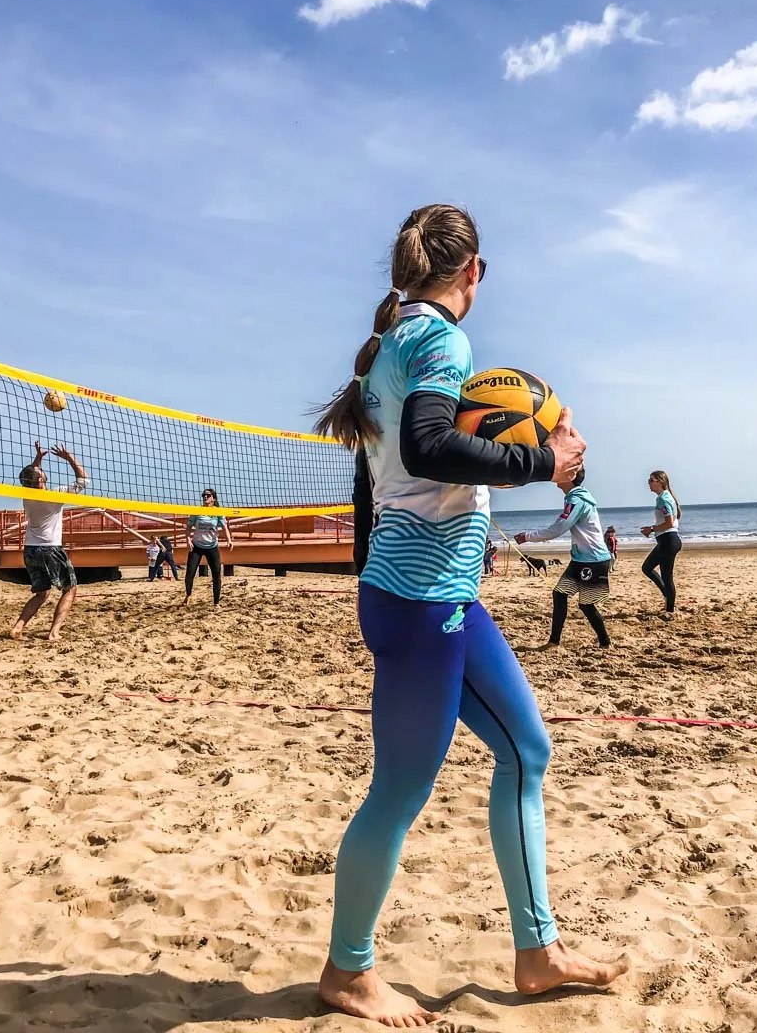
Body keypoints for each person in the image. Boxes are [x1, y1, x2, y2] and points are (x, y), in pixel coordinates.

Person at [312, 204, 626, 1027]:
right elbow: (427, 446)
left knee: (527, 750)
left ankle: (539, 952)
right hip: (421, 603)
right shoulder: (439, 341)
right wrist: (543, 459)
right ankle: (348, 972)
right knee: (399, 791)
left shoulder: (388, 344)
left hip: (434, 595)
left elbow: (378, 485)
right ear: (472, 271)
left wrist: (389, 565)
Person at [516, 469, 613, 649]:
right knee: (559, 594)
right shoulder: (575, 497)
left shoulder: (577, 500)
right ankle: (554, 642)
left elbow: (558, 528)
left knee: (586, 605)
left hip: (593, 560)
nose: (556, 476)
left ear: (570, 477)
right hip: (581, 559)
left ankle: (605, 642)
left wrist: (527, 536)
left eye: (562, 472)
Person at [10, 442, 88, 642]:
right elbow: (83, 481)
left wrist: (38, 458)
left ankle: (18, 627)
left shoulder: (26, 495)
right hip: (50, 549)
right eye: (40, 471)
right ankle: (54, 633)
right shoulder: (54, 495)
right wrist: (69, 457)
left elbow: (30, 475)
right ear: (41, 479)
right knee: (70, 588)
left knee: (42, 593)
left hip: (30, 549)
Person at [641, 470, 682, 614]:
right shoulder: (663, 497)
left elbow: (669, 523)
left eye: (651, 480)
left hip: (668, 541)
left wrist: (651, 529)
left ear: (660, 482)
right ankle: (667, 596)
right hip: (666, 540)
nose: (649, 483)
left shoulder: (664, 499)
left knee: (666, 576)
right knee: (647, 568)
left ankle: (670, 610)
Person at [185, 489, 233, 606]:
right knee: (190, 573)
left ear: (213, 498)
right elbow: (189, 526)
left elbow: (225, 527)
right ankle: (188, 595)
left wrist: (229, 540)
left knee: (216, 574)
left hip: (212, 546)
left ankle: (216, 603)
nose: (205, 497)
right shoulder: (197, 511)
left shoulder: (218, 512)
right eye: (204, 495)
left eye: (208, 495)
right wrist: (188, 539)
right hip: (197, 546)